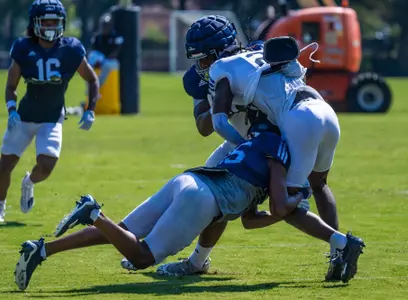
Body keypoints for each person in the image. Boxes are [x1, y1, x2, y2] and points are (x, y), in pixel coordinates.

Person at [14, 118, 364, 291]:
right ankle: (94, 212)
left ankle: (41, 250)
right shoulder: (278, 147)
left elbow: (251, 219)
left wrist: (283, 210)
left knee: (121, 233)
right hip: (203, 198)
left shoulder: (253, 141)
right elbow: (276, 204)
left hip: (190, 180)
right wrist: (295, 199)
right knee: (141, 257)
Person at [144, 14, 305, 277]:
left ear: (225, 49)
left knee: (294, 197)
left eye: (207, 58)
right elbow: (204, 127)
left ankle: (337, 245)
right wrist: (218, 99)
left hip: (274, 139)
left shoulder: (258, 55)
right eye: (197, 60)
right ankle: (197, 261)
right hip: (238, 139)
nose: (202, 66)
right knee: (208, 194)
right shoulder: (199, 78)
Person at [208, 36, 343, 280]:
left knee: (284, 205)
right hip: (327, 112)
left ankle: (341, 242)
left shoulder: (225, 67)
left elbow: (218, 122)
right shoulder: (289, 70)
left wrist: (245, 147)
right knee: (320, 184)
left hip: (299, 120)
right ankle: (339, 252)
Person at [0, 0, 99, 223]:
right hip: (24, 117)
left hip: (51, 119)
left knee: (46, 166)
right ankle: (0, 207)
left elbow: (92, 79)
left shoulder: (71, 49)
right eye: (46, 22)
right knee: (4, 166)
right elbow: (11, 85)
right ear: (35, 24)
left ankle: (29, 183)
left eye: (55, 22)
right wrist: (11, 109)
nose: (51, 27)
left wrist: (90, 109)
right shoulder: (24, 48)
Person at [87, 13, 123, 87]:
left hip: (110, 60)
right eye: (103, 25)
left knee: (108, 65)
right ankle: (89, 87)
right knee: (89, 64)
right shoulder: (97, 37)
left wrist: (103, 61)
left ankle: (97, 85)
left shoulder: (116, 36)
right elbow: (93, 50)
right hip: (100, 58)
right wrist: (97, 61)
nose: (104, 27)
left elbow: (117, 50)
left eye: (106, 25)